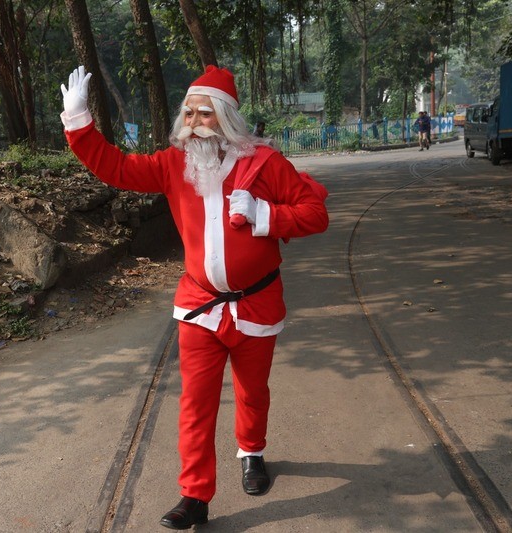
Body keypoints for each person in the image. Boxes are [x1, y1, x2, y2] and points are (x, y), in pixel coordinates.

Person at [60, 65, 329, 530]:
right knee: (195, 404)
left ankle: (252, 453)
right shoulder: (173, 165)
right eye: (188, 113)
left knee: (252, 392)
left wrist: (265, 214)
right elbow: (116, 168)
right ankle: (195, 495)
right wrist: (79, 122)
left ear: (226, 118)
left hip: (257, 305)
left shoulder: (264, 164)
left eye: (204, 113)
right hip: (200, 307)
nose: (194, 122)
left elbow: (315, 213)